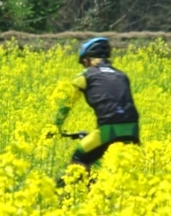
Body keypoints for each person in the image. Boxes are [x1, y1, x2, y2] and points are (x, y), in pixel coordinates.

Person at [54, 37, 139, 174]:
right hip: (132, 130)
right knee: (117, 171)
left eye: (83, 63)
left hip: (107, 131)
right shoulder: (122, 75)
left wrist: (55, 127)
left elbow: (66, 104)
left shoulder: (86, 75)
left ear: (87, 60)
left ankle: (81, 192)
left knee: (79, 161)